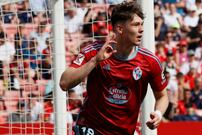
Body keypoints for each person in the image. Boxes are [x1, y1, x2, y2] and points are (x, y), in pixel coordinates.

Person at [60, 1, 169, 135]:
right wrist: (95, 61)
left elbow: (162, 96)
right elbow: (64, 83)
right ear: (120, 29)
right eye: (135, 25)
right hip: (91, 128)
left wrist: (158, 113)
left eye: (142, 24)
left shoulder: (150, 61)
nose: (141, 29)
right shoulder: (94, 51)